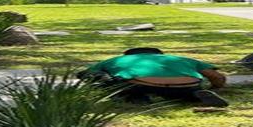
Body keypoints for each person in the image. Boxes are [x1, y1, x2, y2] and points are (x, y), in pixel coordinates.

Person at [81, 47, 228, 106]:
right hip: (188, 83)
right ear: (159, 54)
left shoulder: (115, 60)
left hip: (139, 84)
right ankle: (194, 95)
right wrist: (216, 88)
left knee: (120, 84)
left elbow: (86, 74)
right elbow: (217, 77)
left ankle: (135, 97)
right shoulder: (180, 58)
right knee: (179, 92)